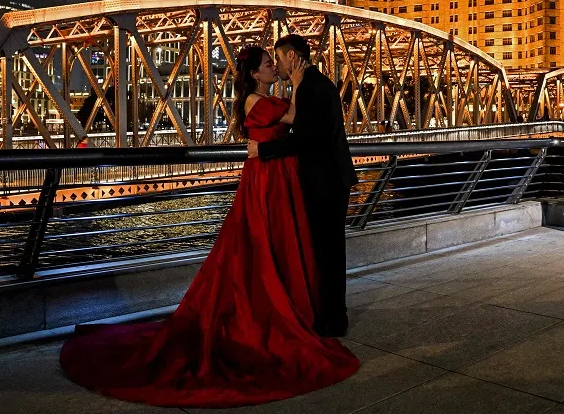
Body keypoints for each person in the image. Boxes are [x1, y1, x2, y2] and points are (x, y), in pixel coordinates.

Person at [58, 45, 359, 408]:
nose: (273, 67)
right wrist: (295, 83)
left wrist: (294, 85)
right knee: (264, 246)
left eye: (276, 60)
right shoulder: (256, 100)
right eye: (268, 63)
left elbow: (297, 123)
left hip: (279, 179)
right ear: (254, 73)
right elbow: (297, 120)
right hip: (267, 183)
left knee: (278, 246)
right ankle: (282, 310)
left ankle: (299, 307)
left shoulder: (275, 95)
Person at [248, 32, 357, 338]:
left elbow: (304, 137)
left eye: (279, 58)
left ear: (292, 56)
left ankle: (333, 319)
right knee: (330, 249)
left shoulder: (309, 87)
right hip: (334, 177)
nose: (278, 65)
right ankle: (333, 315)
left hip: (324, 181)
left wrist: (263, 150)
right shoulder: (317, 83)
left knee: (326, 251)